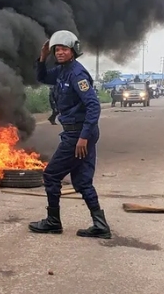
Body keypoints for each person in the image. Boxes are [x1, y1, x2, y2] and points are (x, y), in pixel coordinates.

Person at [29, 30, 111, 239]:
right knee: (82, 181)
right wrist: (42, 58)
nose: (60, 52)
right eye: (57, 49)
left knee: (51, 175)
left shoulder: (77, 74)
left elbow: (93, 106)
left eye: (64, 49)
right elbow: (42, 77)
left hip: (78, 135)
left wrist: (83, 137)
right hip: (79, 133)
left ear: (74, 51)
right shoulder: (62, 71)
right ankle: (101, 226)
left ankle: (53, 222)